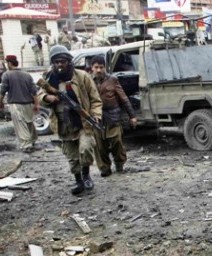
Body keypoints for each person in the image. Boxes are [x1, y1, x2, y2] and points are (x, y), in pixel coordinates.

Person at [39, 45, 102, 195]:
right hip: (63, 124)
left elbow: (95, 99)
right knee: (72, 156)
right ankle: (78, 181)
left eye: (63, 61)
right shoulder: (49, 78)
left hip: (82, 121)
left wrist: (96, 115)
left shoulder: (81, 76)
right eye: (57, 62)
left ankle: (86, 175)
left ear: (69, 61)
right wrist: (47, 97)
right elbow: (39, 95)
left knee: (86, 148)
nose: (60, 64)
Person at [90, 55, 137, 176]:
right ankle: (104, 167)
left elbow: (124, 99)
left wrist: (132, 116)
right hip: (96, 118)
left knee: (117, 142)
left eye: (101, 67)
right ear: (92, 68)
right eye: (96, 67)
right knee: (99, 145)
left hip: (113, 116)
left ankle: (119, 163)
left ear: (104, 67)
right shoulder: (88, 81)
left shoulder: (113, 79)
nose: (99, 70)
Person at [0, 55, 39, 153]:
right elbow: (34, 91)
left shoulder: (7, 75)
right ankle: (33, 140)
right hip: (29, 103)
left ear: (9, 63)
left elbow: (2, 91)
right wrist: (36, 104)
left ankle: (27, 145)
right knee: (29, 122)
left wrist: (0, 102)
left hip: (16, 104)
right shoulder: (27, 75)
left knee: (20, 124)